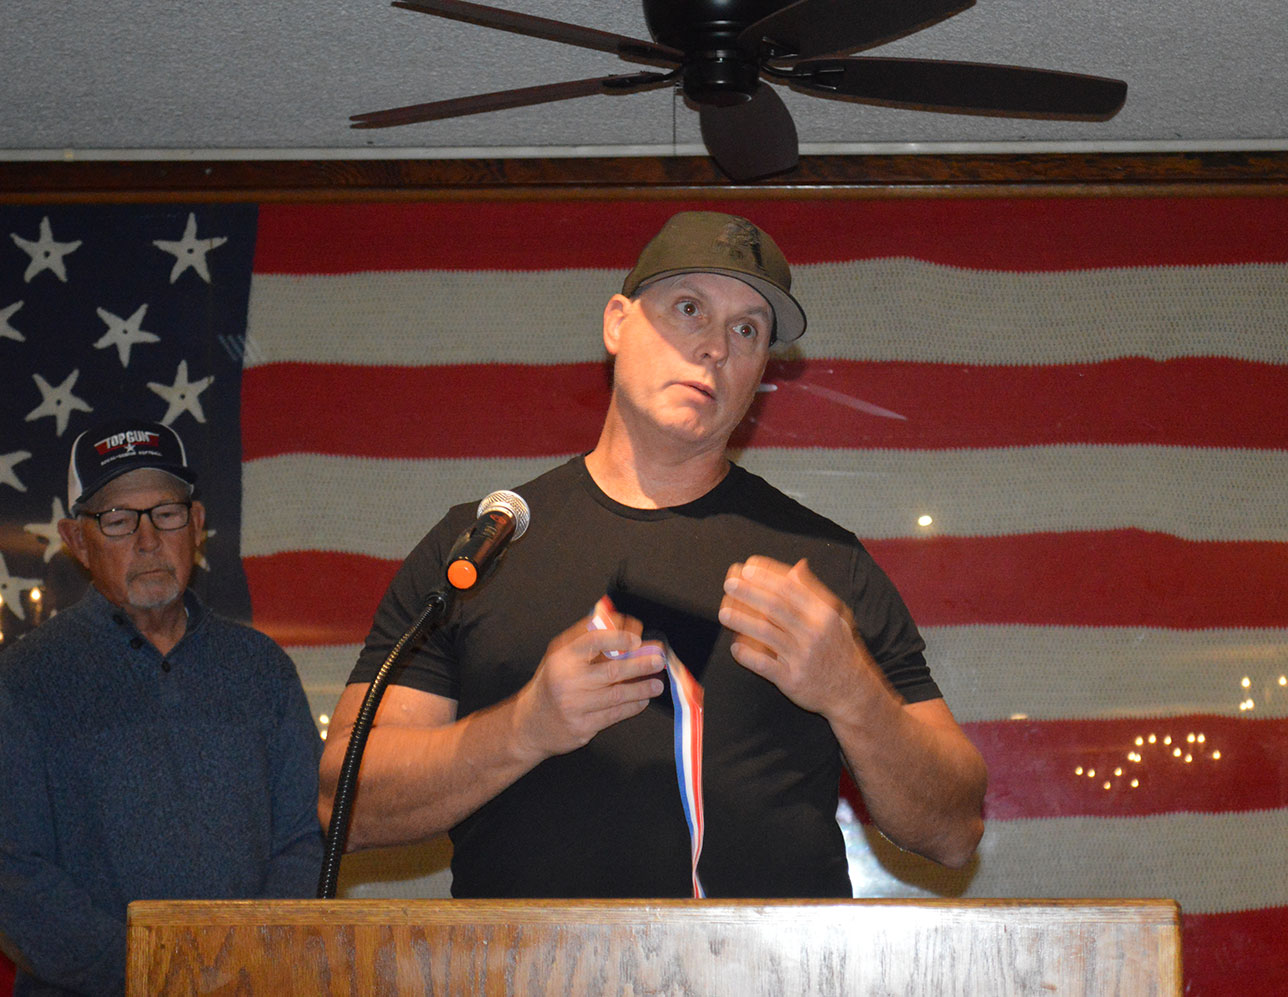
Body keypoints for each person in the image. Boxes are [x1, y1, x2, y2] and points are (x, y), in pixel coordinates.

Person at [320, 211, 987, 898]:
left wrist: (851, 690)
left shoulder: (825, 564)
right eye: (689, 309)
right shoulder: (485, 546)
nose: (715, 348)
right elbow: (345, 804)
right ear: (617, 323)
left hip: (768, 961)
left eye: (747, 330)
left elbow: (954, 830)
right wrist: (524, 727)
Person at [0, 417, 323, 997]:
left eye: (166, 514)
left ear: (196, 525)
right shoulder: (23, 681)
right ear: (77, 541)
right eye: (118, 520)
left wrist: (248, 965)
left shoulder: (261, 669)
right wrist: (158, 974)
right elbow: (14, 873)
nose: (148, 540)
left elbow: (305, 840)